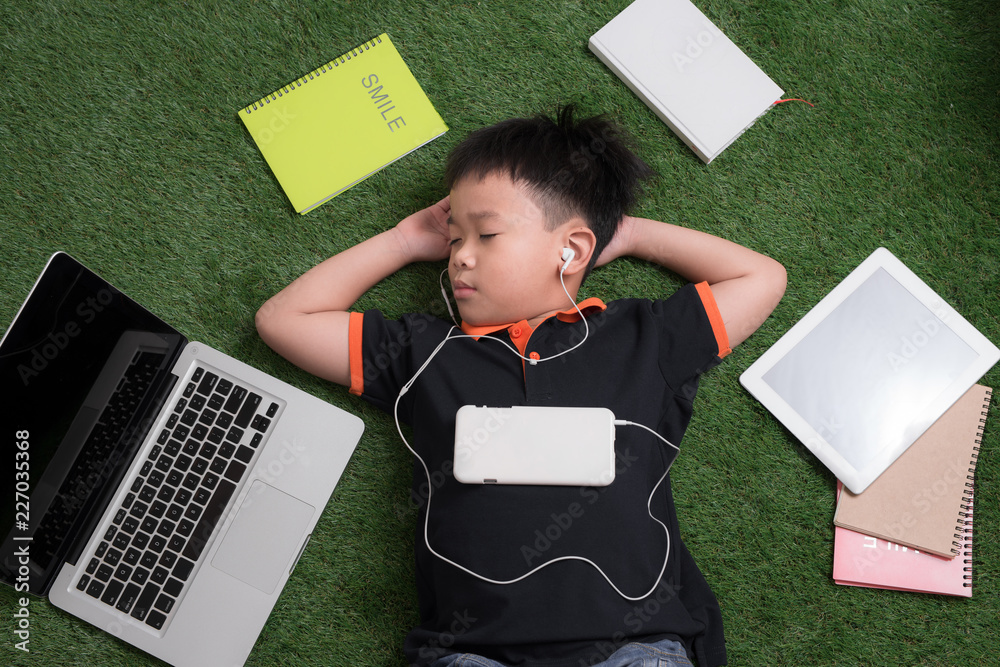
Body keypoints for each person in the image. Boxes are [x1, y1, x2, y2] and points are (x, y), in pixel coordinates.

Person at [255, 106, 786, 667]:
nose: (459, 254)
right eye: (453, 236)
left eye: (485, 234)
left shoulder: (643, 338)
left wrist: (626, 233)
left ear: (572, 249)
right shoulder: (423, 350)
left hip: (633, 648)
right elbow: (284, 320)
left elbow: (761, 278)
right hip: (473, 654)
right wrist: (402, 242)